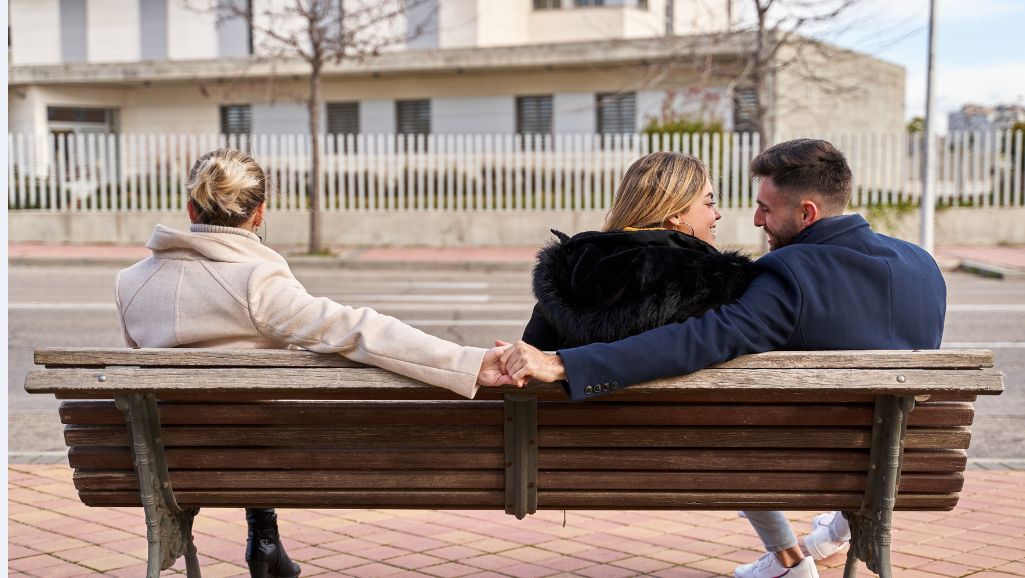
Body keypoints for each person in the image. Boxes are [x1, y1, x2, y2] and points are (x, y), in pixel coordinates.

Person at [498, 139, 947, 578]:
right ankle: (834, 531)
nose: (755, 220)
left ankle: (795, 553)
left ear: (806, 212)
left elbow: (701, 339)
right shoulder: (923, 266)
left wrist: (568, 363)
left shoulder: (787, 276)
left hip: (769, 462)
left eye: (766, 209)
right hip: (890, 462)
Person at [115, 148, 511, 578]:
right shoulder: (255, 283)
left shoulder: (129, 282)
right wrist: (469, 362)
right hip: (259, 460)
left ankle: (264, 539)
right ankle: (263, 537)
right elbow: (358, 329)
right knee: (255, 412)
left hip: (168, 460)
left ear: (191, 207)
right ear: (260, 214)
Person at [521, 151, 755, 351]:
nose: (717, 214)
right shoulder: (713, 282)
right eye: (709, 203)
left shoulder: (570, 268)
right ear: (675, 214)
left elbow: (533, 355)